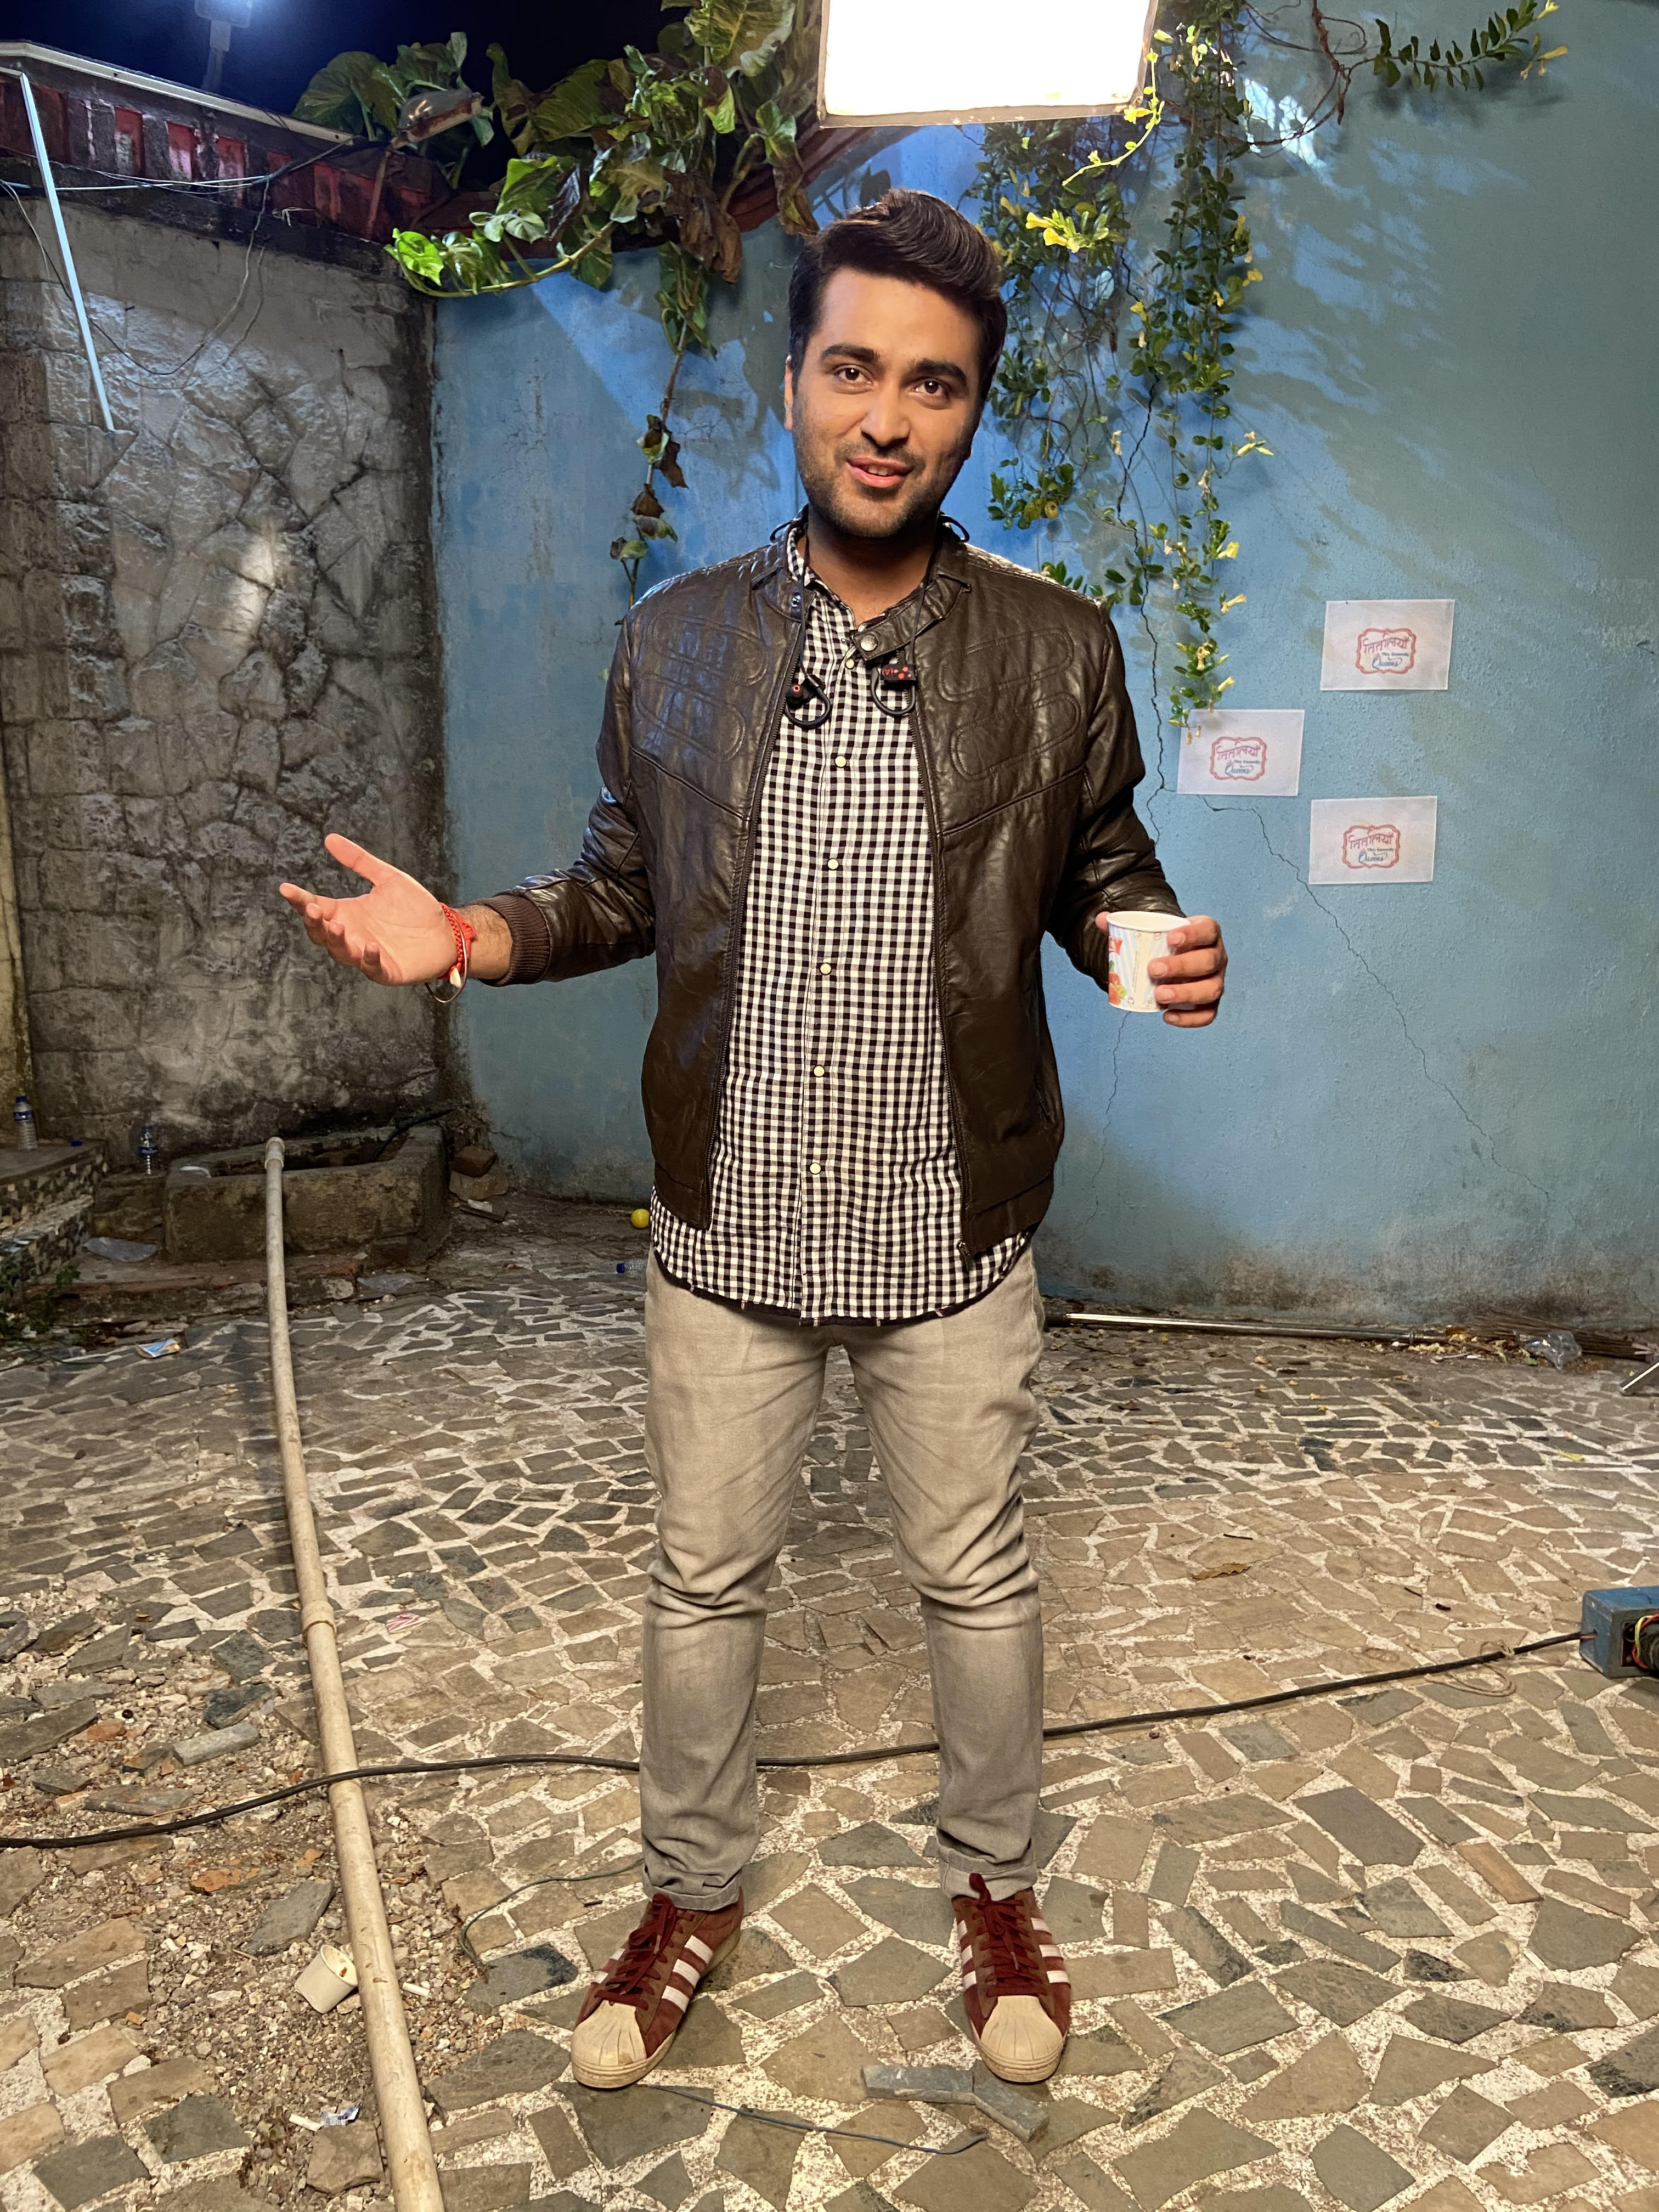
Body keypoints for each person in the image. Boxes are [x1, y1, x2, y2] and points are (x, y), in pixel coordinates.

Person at [281, 188, 1227, 2090]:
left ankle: (997, 1884)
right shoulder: (677, 642)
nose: (888, 416)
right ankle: (690, 1890)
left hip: (954, 1226)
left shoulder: (1059, 650)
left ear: (974, 412)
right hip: (729, 1229)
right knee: (705, 1580)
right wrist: (472, 937)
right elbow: (620, 889)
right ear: (793, 379)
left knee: (978, 1577)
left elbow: (1098, 869)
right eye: (853, 369)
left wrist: (1152, 942)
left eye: (934, 384)